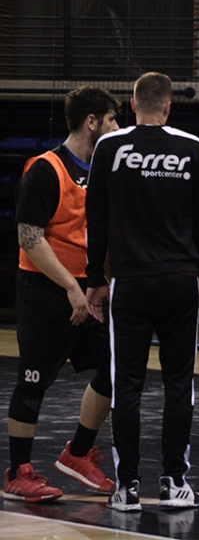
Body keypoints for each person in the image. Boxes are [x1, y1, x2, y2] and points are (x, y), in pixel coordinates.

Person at [85, 72, 199, 513]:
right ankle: (175, 483)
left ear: (131, 103)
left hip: (131, 282)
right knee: (180, 384)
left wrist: (95, 281)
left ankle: (126, 488)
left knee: (127, 385)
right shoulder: (191, 147)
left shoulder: (109, 147)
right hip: (181, 281)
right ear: (167, 107)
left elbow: (96, 221)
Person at [4, 87, 120, 502]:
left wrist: (96, 284)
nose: (116, 128)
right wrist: (71, 287)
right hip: (46, 291)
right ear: (92, 122)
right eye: (111, 120)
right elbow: (29, 236)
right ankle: (18, 472)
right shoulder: (45, 169)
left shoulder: (103, 172)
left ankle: (78, 452)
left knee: (115, 369)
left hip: (85, 292)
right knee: (32, 383)